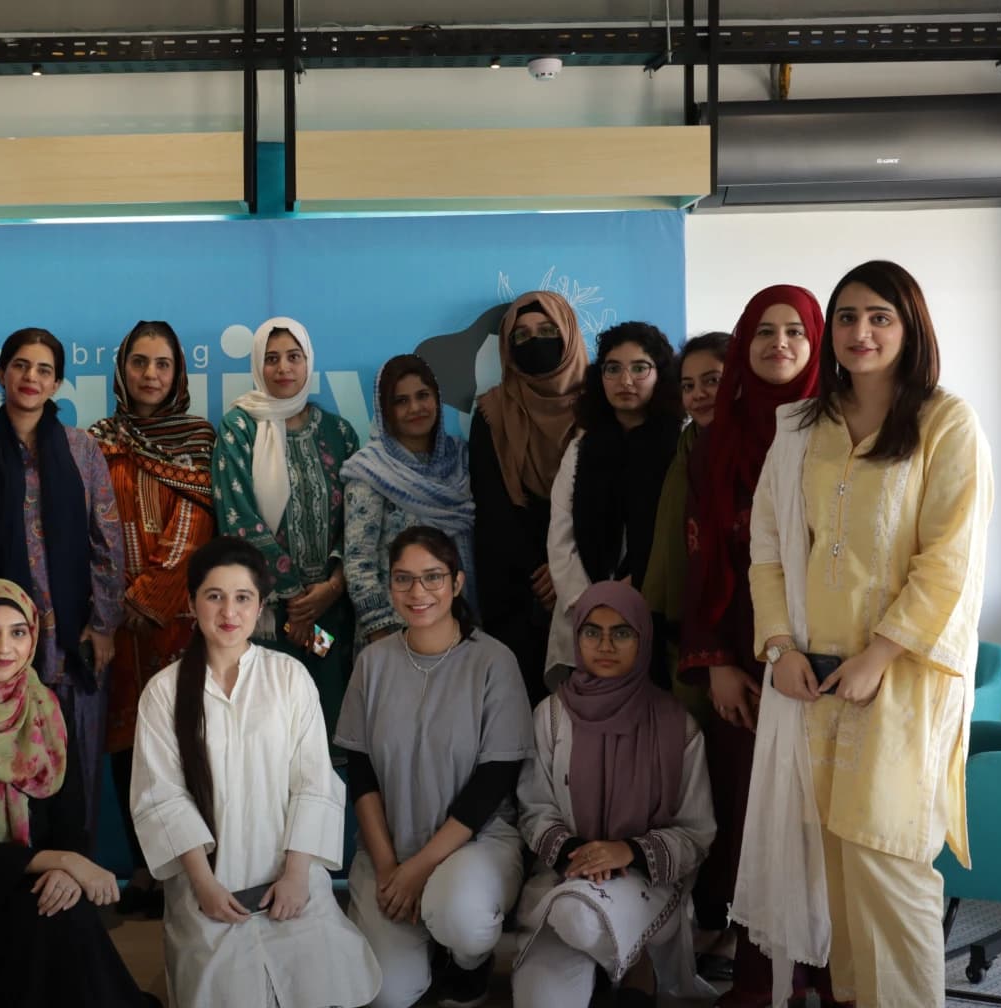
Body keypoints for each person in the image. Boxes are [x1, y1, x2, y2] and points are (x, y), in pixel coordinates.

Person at [737, 261, 993, 1008]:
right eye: (846, 317)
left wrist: (880, 654)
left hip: (902, 681)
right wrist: (778, 648)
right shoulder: (803, 428)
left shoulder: (946, 422)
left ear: (910, 326)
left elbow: (951, 560)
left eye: (879, 316)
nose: (860, 332)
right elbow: (769, 549)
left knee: (890, 865)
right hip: (813, 682)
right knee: (838, 874)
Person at [131, 536, 381, 1007]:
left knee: (321, 986)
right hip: (211, 893)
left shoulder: (289, 677)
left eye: (243, 597)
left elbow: (313, 779)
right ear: (191, 603)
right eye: (214, 596)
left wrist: (296, 875)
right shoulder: (163, 693)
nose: (229, 611)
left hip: (291, 883)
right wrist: (203, 886)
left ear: (261, 604)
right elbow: (161, 797)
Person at [674, 290, 831, 1007]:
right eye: (763, 331)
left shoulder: (844, 422)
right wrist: (720, 664)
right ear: (744, 341)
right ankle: (763, 977)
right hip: (743, 653)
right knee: (751, 820)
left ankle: (834, 974)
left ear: (816, 340)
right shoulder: (719, 436)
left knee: (826, 821)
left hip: (835, 656)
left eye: (796, 330)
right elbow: (699, 558)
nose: (779, 342)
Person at [0, 579, 157, 1008]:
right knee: (54, 916)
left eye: (18, 632)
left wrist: (64, 869)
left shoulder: (46, 710)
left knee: (60, 908)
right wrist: (63, 862)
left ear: (33, 638)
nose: (5, 647)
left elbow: (71, 820)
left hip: (35, 879)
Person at [337, 526, 532, 1008]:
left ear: (458, 582)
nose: (417, 593)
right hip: (390, 845)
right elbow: (359, 772)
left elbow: (493, 782)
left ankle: (466, 962)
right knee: (387, 995)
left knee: (462, 918)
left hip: (477, 842)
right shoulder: (372, 662)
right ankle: (424, 947)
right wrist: (388, 867)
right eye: (403, 579)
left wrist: (418, 870)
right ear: (388, 586)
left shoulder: (494, 661)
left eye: (432, 578)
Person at [509, 581, 717, 1008]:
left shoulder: (677, 726)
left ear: (643, 638)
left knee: (580, 917)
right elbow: (534, 810)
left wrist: (627, 852)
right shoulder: (550, 716)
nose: (605, 645)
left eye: (621, 632)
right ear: (576, 637)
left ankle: (638, 961)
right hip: (563, 875)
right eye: (592, 632)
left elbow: (697, 830)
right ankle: (615, 965)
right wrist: (581, 854)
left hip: (643, 878)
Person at [87, 320, 218, 918]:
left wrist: (155, 592)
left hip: (181, 624)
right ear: (121, 369)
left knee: (186, 742)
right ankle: (145, 872)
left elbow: (196, 522)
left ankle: (194, 869)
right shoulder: (98, 440)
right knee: (127, 748)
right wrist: (116, 602)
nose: (149, 375)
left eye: (161, 364)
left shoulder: (198, 439)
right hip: (114, 627)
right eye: (138, 362)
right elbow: (90, 527)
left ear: (178, 374)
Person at [0, 327, 123, 838]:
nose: (30, 378)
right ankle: (22, 895)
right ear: (1, 374)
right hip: (3, 645)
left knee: (77, 763)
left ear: (57, 382)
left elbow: (107, 540)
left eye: (43, 370)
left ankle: (77, 888)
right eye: (20, 366)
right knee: (12, 767)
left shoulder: (82, 450)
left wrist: (102, 625)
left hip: (74, 639)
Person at [212, 317, 360, 736]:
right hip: (268, 616)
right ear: (259, 365)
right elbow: (237, 516)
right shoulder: (239, 428)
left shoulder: (338, 432)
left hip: (330, 615)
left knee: (329, 720)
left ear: (308, 361)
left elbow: (358, 517)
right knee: (271, 728)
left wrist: (331, 587)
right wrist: (294, 602)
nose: (283, 369)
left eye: (293, 357)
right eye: (271, 358)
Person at [544, 322, 683, 682]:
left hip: (659, 606)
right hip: (585, 611)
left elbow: (682, 531)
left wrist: (639, 588)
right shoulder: (582, 447)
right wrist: (592, 602)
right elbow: (560, 535)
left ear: (660, 374)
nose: (626, 380)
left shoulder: (680, 444)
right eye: (613, 368)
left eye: (640, 368)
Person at [469, 291, 590, 704]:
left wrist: (566, 572)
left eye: (546, 331)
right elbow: (491, 505)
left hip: (589, 576)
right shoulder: (492, 411)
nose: (534, 342)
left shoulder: (601, 406)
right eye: (520, 335)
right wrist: (540, 570)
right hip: (518, 585)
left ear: (569, 334)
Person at [342, 355, 476, 647]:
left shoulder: (461, 460)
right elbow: (358, 561)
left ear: (437, 399)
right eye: (401, 401)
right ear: (384, 410)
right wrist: (382, 633)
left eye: (423, 396)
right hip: (396, 631)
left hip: (459, 625)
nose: (415, 408)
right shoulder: (371, 471)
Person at [645, 331, 729, 714]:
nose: (698, 395)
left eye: (712, 380)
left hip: (736, 639)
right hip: (682, 631)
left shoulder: (754, 450)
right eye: (688, 385)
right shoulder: (686, 447)